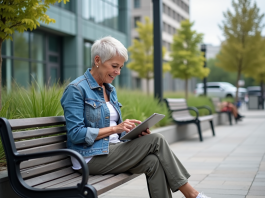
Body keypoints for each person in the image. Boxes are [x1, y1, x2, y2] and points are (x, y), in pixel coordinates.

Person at [61, 36, 211, 198]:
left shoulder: (109, 89)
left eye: (120, 67)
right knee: (156, 139)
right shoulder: (76, 89)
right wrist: (115, 128)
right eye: (114, 66)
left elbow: (115, 134)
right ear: (97, 60)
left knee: (153, 162)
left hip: (111, 151)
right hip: (89, 157)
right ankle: (192, 194)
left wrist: (132, 134)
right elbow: (76, 134)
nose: (118, 72)